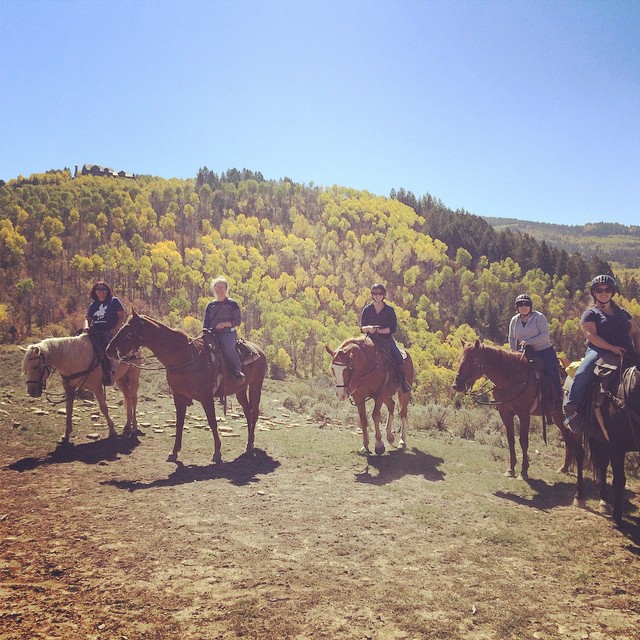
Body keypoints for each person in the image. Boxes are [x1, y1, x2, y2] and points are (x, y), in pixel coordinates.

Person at [564, 274, 640, 432]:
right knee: (583, 372)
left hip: (626, 352)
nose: (604, 292)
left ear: (612, 292)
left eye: (607, 289)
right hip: (599, 352)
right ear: (594, 293)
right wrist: (612, 348)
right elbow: (591, 335)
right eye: (599, 290)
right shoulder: (591, 314)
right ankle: (572, 410)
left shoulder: (623, 313)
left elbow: (636, 332)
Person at [508, 293, 563, 409]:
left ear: (531, 306)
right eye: (520, 304)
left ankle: (558, 398)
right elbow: (512, 337)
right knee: (509, 371)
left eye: (526, 304)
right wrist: (513, 353)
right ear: (517, 307)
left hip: (544, 350)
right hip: (524, 351)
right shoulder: (514, 320)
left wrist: (529, 341)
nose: (523, 306)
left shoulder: (539, 317)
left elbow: (545, 335)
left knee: (551, 371)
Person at [360, 283, 411, 393]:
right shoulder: (367, 310)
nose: (377, 296)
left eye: (380, 293)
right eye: (375, 293)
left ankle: (403, 383)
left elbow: (392, 328)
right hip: (370, 339)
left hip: (386, 339)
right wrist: (369, 328)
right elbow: (362, 328)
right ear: (372, 295)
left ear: (384, 295)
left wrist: (379, 331)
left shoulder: (389, 310)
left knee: (398, 357)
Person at [203, 276, 246, 383]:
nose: (219, 289)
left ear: (226, 289)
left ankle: (237, 371)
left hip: (228, 333)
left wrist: (224, 324)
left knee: (228, 348)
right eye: (217, 287)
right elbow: (206, 322)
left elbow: (237, 321)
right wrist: (205, 331)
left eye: (222, 287)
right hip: (212, 333)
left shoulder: (232, 304)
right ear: (214, 289)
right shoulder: (210, 305)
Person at [84, 281, 125, 385]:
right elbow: (87, 319)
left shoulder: (114, 301)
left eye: (103, 289)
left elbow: (121, 316)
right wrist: (86, 327)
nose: (101, 291)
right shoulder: (93, 305)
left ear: (107, 291)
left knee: (108, 350)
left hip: (109, 332)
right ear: (95, 291)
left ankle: (109, 373)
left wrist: (115, 329)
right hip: (96, 332)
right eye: (98, 289)